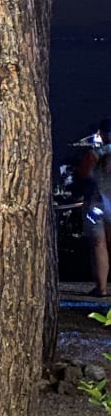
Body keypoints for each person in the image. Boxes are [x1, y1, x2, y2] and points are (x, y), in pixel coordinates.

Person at [78, 116, 111, 297]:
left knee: (99, 244)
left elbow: (84, 175)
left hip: (97, 203)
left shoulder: (93, 154)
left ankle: (101, 287)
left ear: (101, 134)